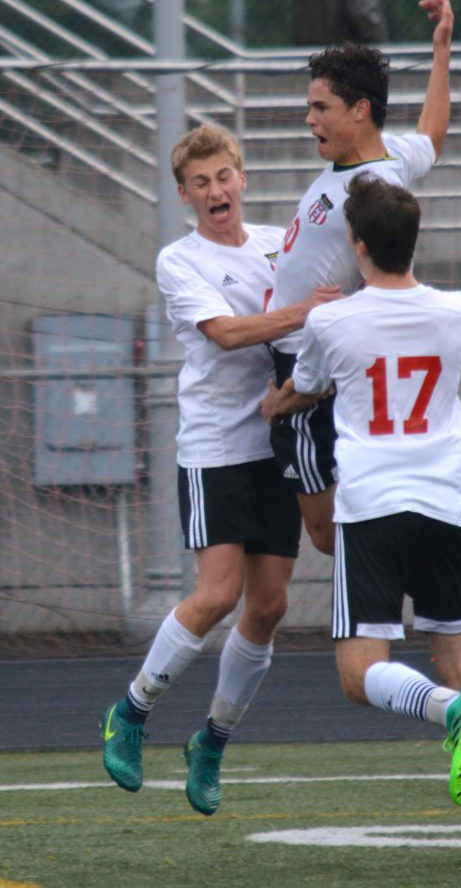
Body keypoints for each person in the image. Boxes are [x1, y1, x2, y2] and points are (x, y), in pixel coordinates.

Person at [261, 174, 461, 871]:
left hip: (374, 506)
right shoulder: (457, 312)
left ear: (357, 245)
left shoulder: (332, 319)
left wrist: (274, 407)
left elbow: (307, 388)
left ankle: (450, 715)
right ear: (412, 242)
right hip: (444, 504)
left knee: (359, 674)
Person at [100, 124, 341, 814]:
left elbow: (322, 314)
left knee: (269, 605)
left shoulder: (279, 242)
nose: (215, 191)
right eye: (200, 182)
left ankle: (211, 742)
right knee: (215, 596)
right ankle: (133, 711)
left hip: (279, 437)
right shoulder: (179, 261)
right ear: (184, 194)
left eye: (223, 177)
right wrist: (305, 311)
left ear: (243, 180)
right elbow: (227, 333)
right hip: (215, 446)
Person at [267, 0, 454, 558]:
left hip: (306, 365)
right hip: (301, 353)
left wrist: (295, 389)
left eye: (321, 107)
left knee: (328, 536)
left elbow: (385, 279)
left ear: (361, 110)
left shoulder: (368, 191)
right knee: (346, 523)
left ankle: (460, 577)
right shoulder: (390, 156)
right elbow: (433, 139)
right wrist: (441, 52)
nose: (309, 119)